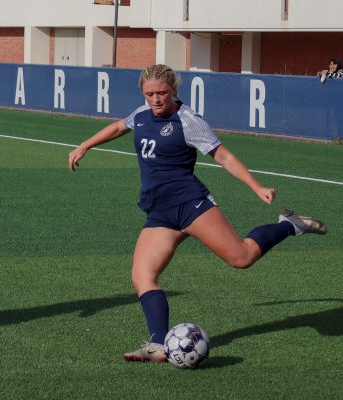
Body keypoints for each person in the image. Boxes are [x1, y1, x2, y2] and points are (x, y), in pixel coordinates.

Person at [68, 64, 327, 363]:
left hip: (191, 205)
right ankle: (157, 345)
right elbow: (117, 127)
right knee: (143, 276)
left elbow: (223, 156)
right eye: (150, 93)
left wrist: (256, 187)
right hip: (160, 213)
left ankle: (290, 224)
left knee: (241, 258)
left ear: (174, 90)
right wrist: (85, 145)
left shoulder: (188, 120)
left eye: (162, 93)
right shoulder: (140, 115)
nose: (156, 99)